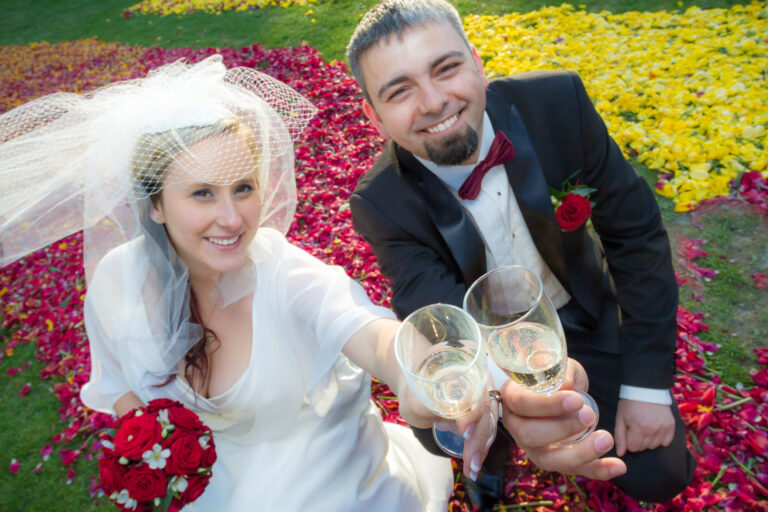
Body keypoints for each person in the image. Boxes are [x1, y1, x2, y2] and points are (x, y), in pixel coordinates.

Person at [0, 56, 469, 511]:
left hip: (325, 478)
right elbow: (121, 382)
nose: (232, 218)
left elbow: (370, 332)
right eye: (202, 193)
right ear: (156, 206)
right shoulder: (118, 279)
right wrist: (155, 447)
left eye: (243, 187)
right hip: (216, 483)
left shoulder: (285, 273)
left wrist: (419, 369)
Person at [345, 0, 697, 509]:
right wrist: (508, 404)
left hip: (582, 316)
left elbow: (636, 235)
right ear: (373, 117)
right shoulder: (380, 204)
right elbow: (439, 320)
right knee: (440, 421)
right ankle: (490, 458)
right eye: (400, 91)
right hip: (486, 345)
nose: (433, 101)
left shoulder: (558, 104)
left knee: (661, 474)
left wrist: (647, 387)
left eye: (446, 69)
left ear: (477, 63)